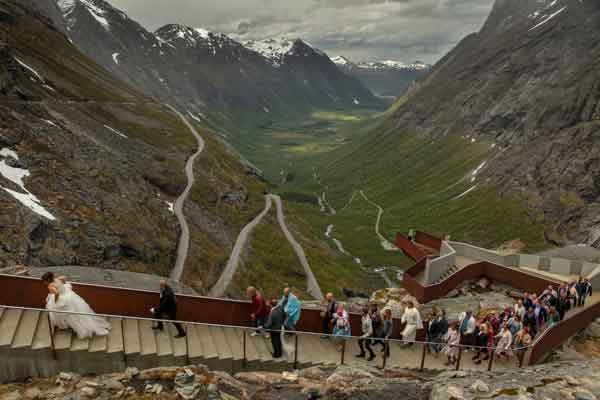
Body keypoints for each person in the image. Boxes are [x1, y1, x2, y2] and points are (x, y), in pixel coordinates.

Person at [42, 272, 111, 340]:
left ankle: (65, 326)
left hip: (63, 299)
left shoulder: (50, 286)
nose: (43, 283)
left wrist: (55, 301)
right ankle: (85, 325)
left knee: (60, 313)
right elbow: (64, 278)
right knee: (76, 313)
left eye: (44, 281)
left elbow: (56, 293)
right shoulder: (58, 279)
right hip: (69, 296)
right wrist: (63, 287)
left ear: (47, 280)